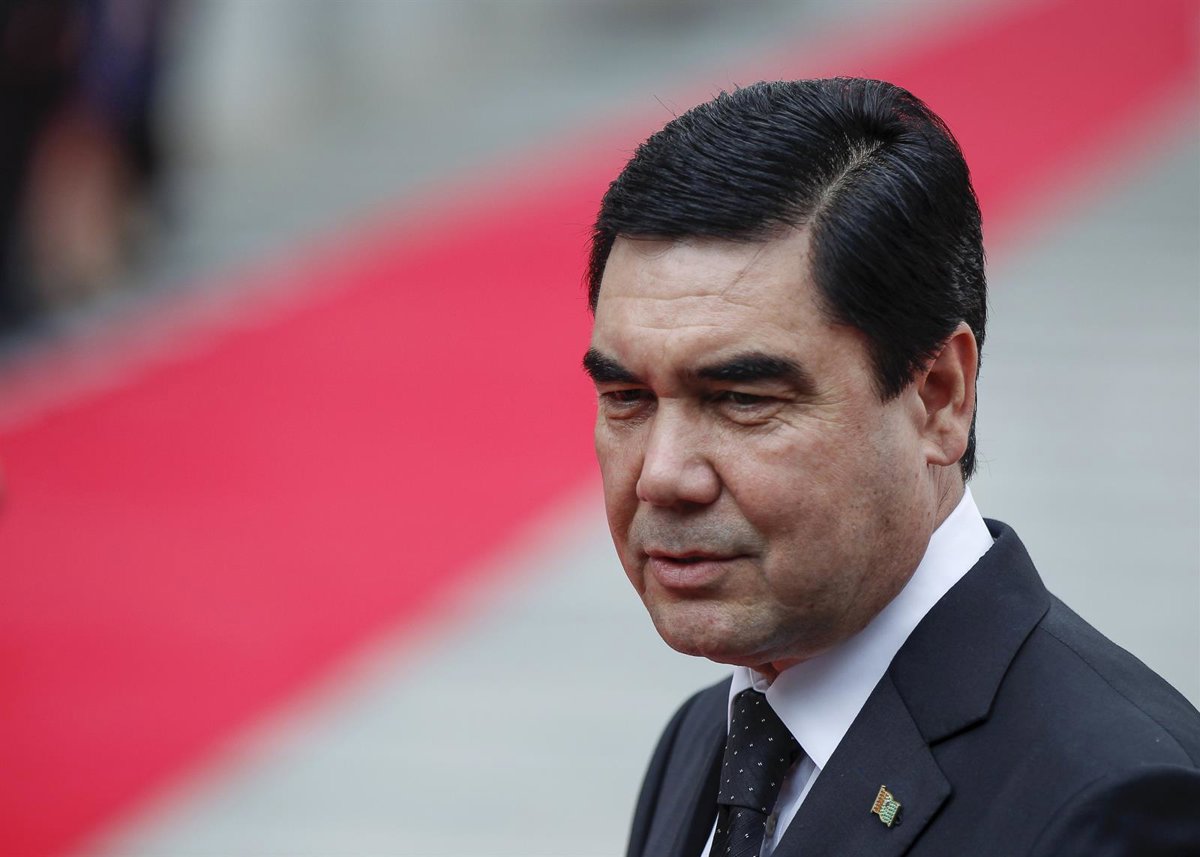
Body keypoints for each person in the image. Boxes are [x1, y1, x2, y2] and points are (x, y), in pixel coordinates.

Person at [582, 78, 1200, 857]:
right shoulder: (708, 735)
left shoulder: (1111, 803)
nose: (662, 475)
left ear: (939, 396)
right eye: (627, 397)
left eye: (742, 399)